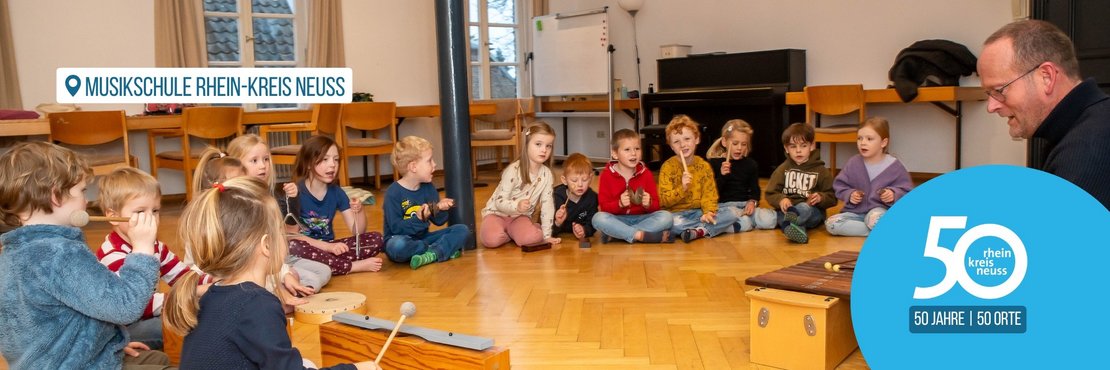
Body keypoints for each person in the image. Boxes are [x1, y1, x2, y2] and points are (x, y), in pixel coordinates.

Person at [163, 177, 377, 370]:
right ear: (267, 245)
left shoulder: (212, 295)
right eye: (281, 232)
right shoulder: (258, 304)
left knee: (306, 363)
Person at [0, 142, 173, 369]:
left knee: (156, 359)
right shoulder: (61, 253)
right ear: (56, 196)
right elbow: (125, 307)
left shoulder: (11, 254)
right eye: (82, 191)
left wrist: (108, 343)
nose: (86, 201)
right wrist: (142, 249)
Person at [978, 19, 1110, 209]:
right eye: (988, 94)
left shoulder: (1085, 150)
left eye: (999, 90)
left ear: (1046, 77)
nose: (991, 106)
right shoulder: (1088, 123)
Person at [97, 167, 214, 350]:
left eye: (155, 210)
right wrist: (190, 295)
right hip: (125, 327)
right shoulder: (112, 255)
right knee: (182, 324)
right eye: (140, 211)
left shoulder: (156, 246)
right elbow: (136, 306)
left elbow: (182, 275)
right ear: (113, 216)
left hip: (150, 314)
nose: (151, 218)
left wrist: (215, 282)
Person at [227, 134, 333, 290]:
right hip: (257, 263)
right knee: (310, 277)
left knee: (324, 271)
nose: (263, 166)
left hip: (281, 259)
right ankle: (292, 290)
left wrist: (293, 199)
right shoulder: (238, 200)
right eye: (254, 161)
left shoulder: (273, 194)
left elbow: (292, 229)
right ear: (237, 166)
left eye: (266, 159)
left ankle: (293, 289)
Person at [286, 135, 384, 275]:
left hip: (330, 249)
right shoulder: (296, 192)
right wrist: (328, 247)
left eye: (336, 159)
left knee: (376, 239)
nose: (332, 164)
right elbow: (291, 235)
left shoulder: (337, 193)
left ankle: (331, 265)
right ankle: (351, 267)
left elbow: (358, 232)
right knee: (293, 246)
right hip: (306, 249)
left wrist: (360, 211)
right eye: (325, 159)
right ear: (308, 163)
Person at [383, 136, 469, 269]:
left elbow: (438, 221)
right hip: (401, 240)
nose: (434, 164)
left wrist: (441, 208)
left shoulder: (428, 187)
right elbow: (396, 228)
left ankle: (432, 254)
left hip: (423, 238)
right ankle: (436, 250)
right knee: (397, 245)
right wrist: (418, 218)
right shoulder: (393, 193)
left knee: (462, 230)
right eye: (429, 161)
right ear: (413, 167)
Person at [826, 118, 914, 236]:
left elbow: (907, 190)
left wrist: (893, 194)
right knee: (831, 224)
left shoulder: (895, 166)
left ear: (883, 142)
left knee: (875, 220)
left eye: (869, 139)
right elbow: (840, 185)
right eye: (859, 138)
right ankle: (878, 232)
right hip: (855, 213)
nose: (863, 142)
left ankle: (879, 227)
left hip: (879, 211)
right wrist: (850, 194)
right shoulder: (853, 163)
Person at [479, 122, 562, 249]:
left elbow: (547, 206)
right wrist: (516, 206)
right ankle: (509, 234)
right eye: (538, 144)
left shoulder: (547, 175)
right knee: (491, 240)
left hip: (520, 218)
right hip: (496, 214)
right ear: (526, 144)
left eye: (548, 146)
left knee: (534, 238)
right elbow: (499, 201)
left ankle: (520, 232)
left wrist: (546, 235)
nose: (544, 150)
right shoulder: (513, 170)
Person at [657, 115, 739, 243]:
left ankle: (698, 231)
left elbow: (709, 195)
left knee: (732, 213)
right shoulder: (667, 167)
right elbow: (663, 201)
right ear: (671, 146)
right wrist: (682, 188)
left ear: (697, 139)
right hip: (676, 215)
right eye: (676, 142)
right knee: (668, 222)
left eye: (687, 139)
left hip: (698, 213)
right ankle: (707, 229)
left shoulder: (704, 166)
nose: (683, 144)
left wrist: (708, 212)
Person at [592, 129, 674, 244]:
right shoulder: (606, 176)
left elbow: (656, 206)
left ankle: (619, 234)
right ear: (615, 154)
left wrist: (648, 203)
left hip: (642, 218)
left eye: (637, 149)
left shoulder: (647, 174)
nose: (633, 153)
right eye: (627, 149)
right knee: (598, 218)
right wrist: (619, 204)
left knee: (667, 217)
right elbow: (604, 207)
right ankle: (639, 235)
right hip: (617, 219)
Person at [764, 123, 837, 244]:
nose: (798, 151)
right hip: (788, 211)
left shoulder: (821, 171)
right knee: (782, 217)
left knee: (804, 208)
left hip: (813, 212)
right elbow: (770, 193)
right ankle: (797, 231)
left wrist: (821, 197)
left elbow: (833, 197)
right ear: (786, 149)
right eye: (793, 147)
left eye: (803, 146)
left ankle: (790, 223)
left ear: (812, 145)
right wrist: (781, 199)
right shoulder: (782, 169)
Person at [706, 119, 777, 233]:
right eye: (735, 143)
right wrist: (722, 176)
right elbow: (711, 194)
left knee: (769, 219)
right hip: (725, 206)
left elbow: (755, 190)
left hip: (744, 205)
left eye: (743, 144)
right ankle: (740, 223)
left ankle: (739, 224)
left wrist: (752, 202)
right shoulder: (713, 163)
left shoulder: (751, 164)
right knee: (743, 222)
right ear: (724, 142)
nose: (739, 148)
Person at [552, 153, 598, 240]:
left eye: (584, 180)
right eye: (574, 180)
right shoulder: (555, 196)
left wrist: (584, 230)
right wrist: (557, 222)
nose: (580, 184)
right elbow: (548, 232)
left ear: (591, 178)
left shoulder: (592, 198)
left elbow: (592, 224)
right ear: (564, 180)